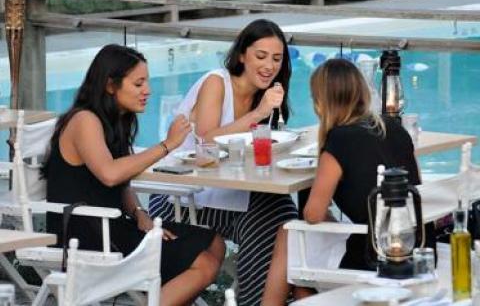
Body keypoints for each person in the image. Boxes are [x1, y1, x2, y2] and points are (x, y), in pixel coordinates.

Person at [43, 44, 225, 306]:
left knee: (214, 243)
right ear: (110, 85)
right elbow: (110, 174)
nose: (147, 90)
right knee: (205, 265)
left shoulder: (116, 120)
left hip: (115, 224)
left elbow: (122, 183)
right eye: (138, 83)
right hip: (87, 231)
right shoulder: (85, 120)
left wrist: (141, 214)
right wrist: (167, 145)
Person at [148, 19, 298, 306]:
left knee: (286, 215)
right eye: (261, 56)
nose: (269, 66)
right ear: (242, 54)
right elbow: (207, 140)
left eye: (277, 59)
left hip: (225, 192)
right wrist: (259, 113)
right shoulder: (217, 82)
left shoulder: (262, 98)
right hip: (181, 195)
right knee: (266, 222)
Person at [262, 58, 436, 304]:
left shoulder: (339, 141)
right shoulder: (395, 129)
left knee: (288, 234)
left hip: (372, 255)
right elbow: (415, 186)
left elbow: (312, 214)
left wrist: (328, 218)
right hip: (416, 247)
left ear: (321, 102)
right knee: (302, 286)